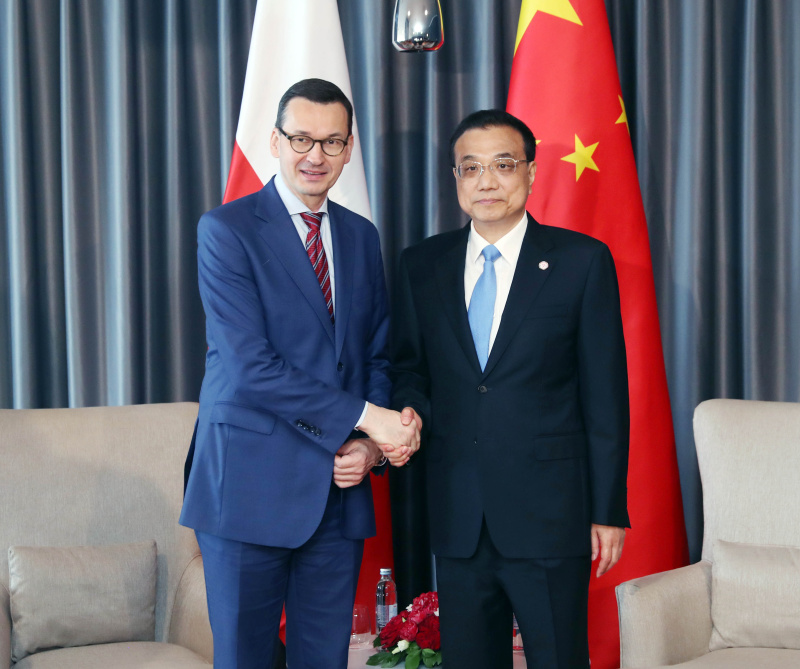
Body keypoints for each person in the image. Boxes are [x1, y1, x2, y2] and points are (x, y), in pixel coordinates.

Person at [180, 78, 420, 669]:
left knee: (325, 659)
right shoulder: (227, 230)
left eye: (332, 142)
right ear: (275, 142)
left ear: (349, 148)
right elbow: (251, 370)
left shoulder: (361, 237)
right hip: (248, 486)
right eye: (302, 139)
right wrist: (370, 418)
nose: (316, 155)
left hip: (337, 492)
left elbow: (374, 357)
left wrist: (369, 446)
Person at [391, 109, 629, 669]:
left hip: (550, 515)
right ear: (456, 178)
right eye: (470, 168)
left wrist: (608, 509)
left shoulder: (581, 261)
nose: (487, 181)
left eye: (503, 165)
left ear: (531, 172)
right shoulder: (421, 265)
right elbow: (409, 370)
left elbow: (606, 397)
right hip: (457, 512)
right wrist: (408, 413)